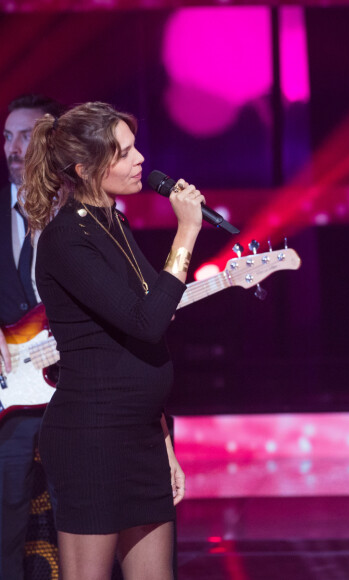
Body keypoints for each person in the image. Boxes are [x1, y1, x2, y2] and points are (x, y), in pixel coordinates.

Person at [21, 101, 204, 579]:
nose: (140, 158)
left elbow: (144, 342)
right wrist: (186, 232)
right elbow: (146, 321)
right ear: (85, 169)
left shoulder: (114, 224)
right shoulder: (67, 238)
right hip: (92, 439)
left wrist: (164, 444)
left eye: (134, 147)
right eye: (123, 153)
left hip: (141, 436)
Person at [0, 94, 63, 579]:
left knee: (81, 520)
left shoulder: (81, 211)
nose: (13, 147)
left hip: (74, 388)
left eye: (26, 135)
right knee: (6, 522)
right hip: (9, 396)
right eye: (7, 136)